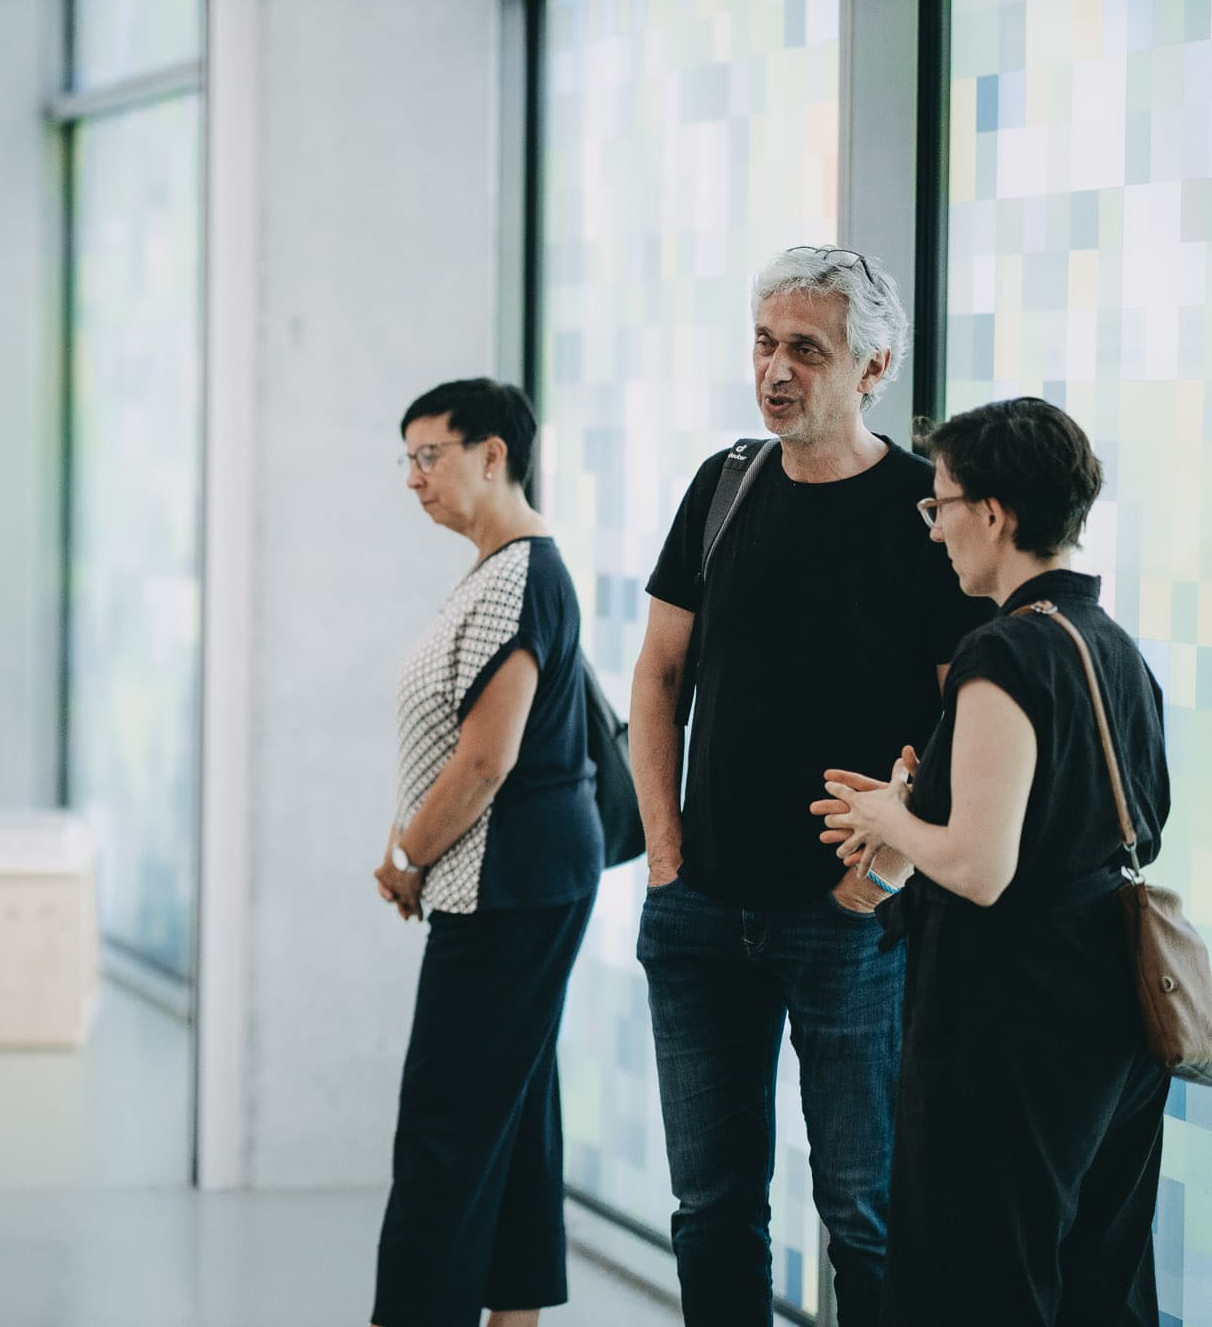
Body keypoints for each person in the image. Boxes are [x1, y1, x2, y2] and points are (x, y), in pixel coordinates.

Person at [627, 246, 991, 1325]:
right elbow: (655, 674)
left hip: (849, 928)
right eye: (761, 342)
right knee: (710, 1206)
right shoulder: (723, 483)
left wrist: (871, 882)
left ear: (870, 366)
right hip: (699, 908)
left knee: (864, 1210)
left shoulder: (924, 513)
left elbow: (957, 720)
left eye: (804, 349)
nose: (773, 369)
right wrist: (662, 853)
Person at [814, 397, 1169, 1325]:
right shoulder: (1113, 648)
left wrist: (894, 811)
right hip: (1114, 1006)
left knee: (984, 1276)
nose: (936, 532)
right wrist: (920, 802)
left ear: (996, 513)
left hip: (1013, 1013)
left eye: (941, 506)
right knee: (1102, 1275)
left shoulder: (1004, 650)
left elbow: (979, 866)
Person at [370, 379, 603, 1327]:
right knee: (510, 1111)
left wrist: (407, 854)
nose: (416, 479)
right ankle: (514, 1315)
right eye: (409, 461)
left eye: (432, 455)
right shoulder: (499, 567)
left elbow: (485, 758)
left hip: (506, 882)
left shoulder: (521, 572)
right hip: (519, 879)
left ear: (494, 453)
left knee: (445, 1127)